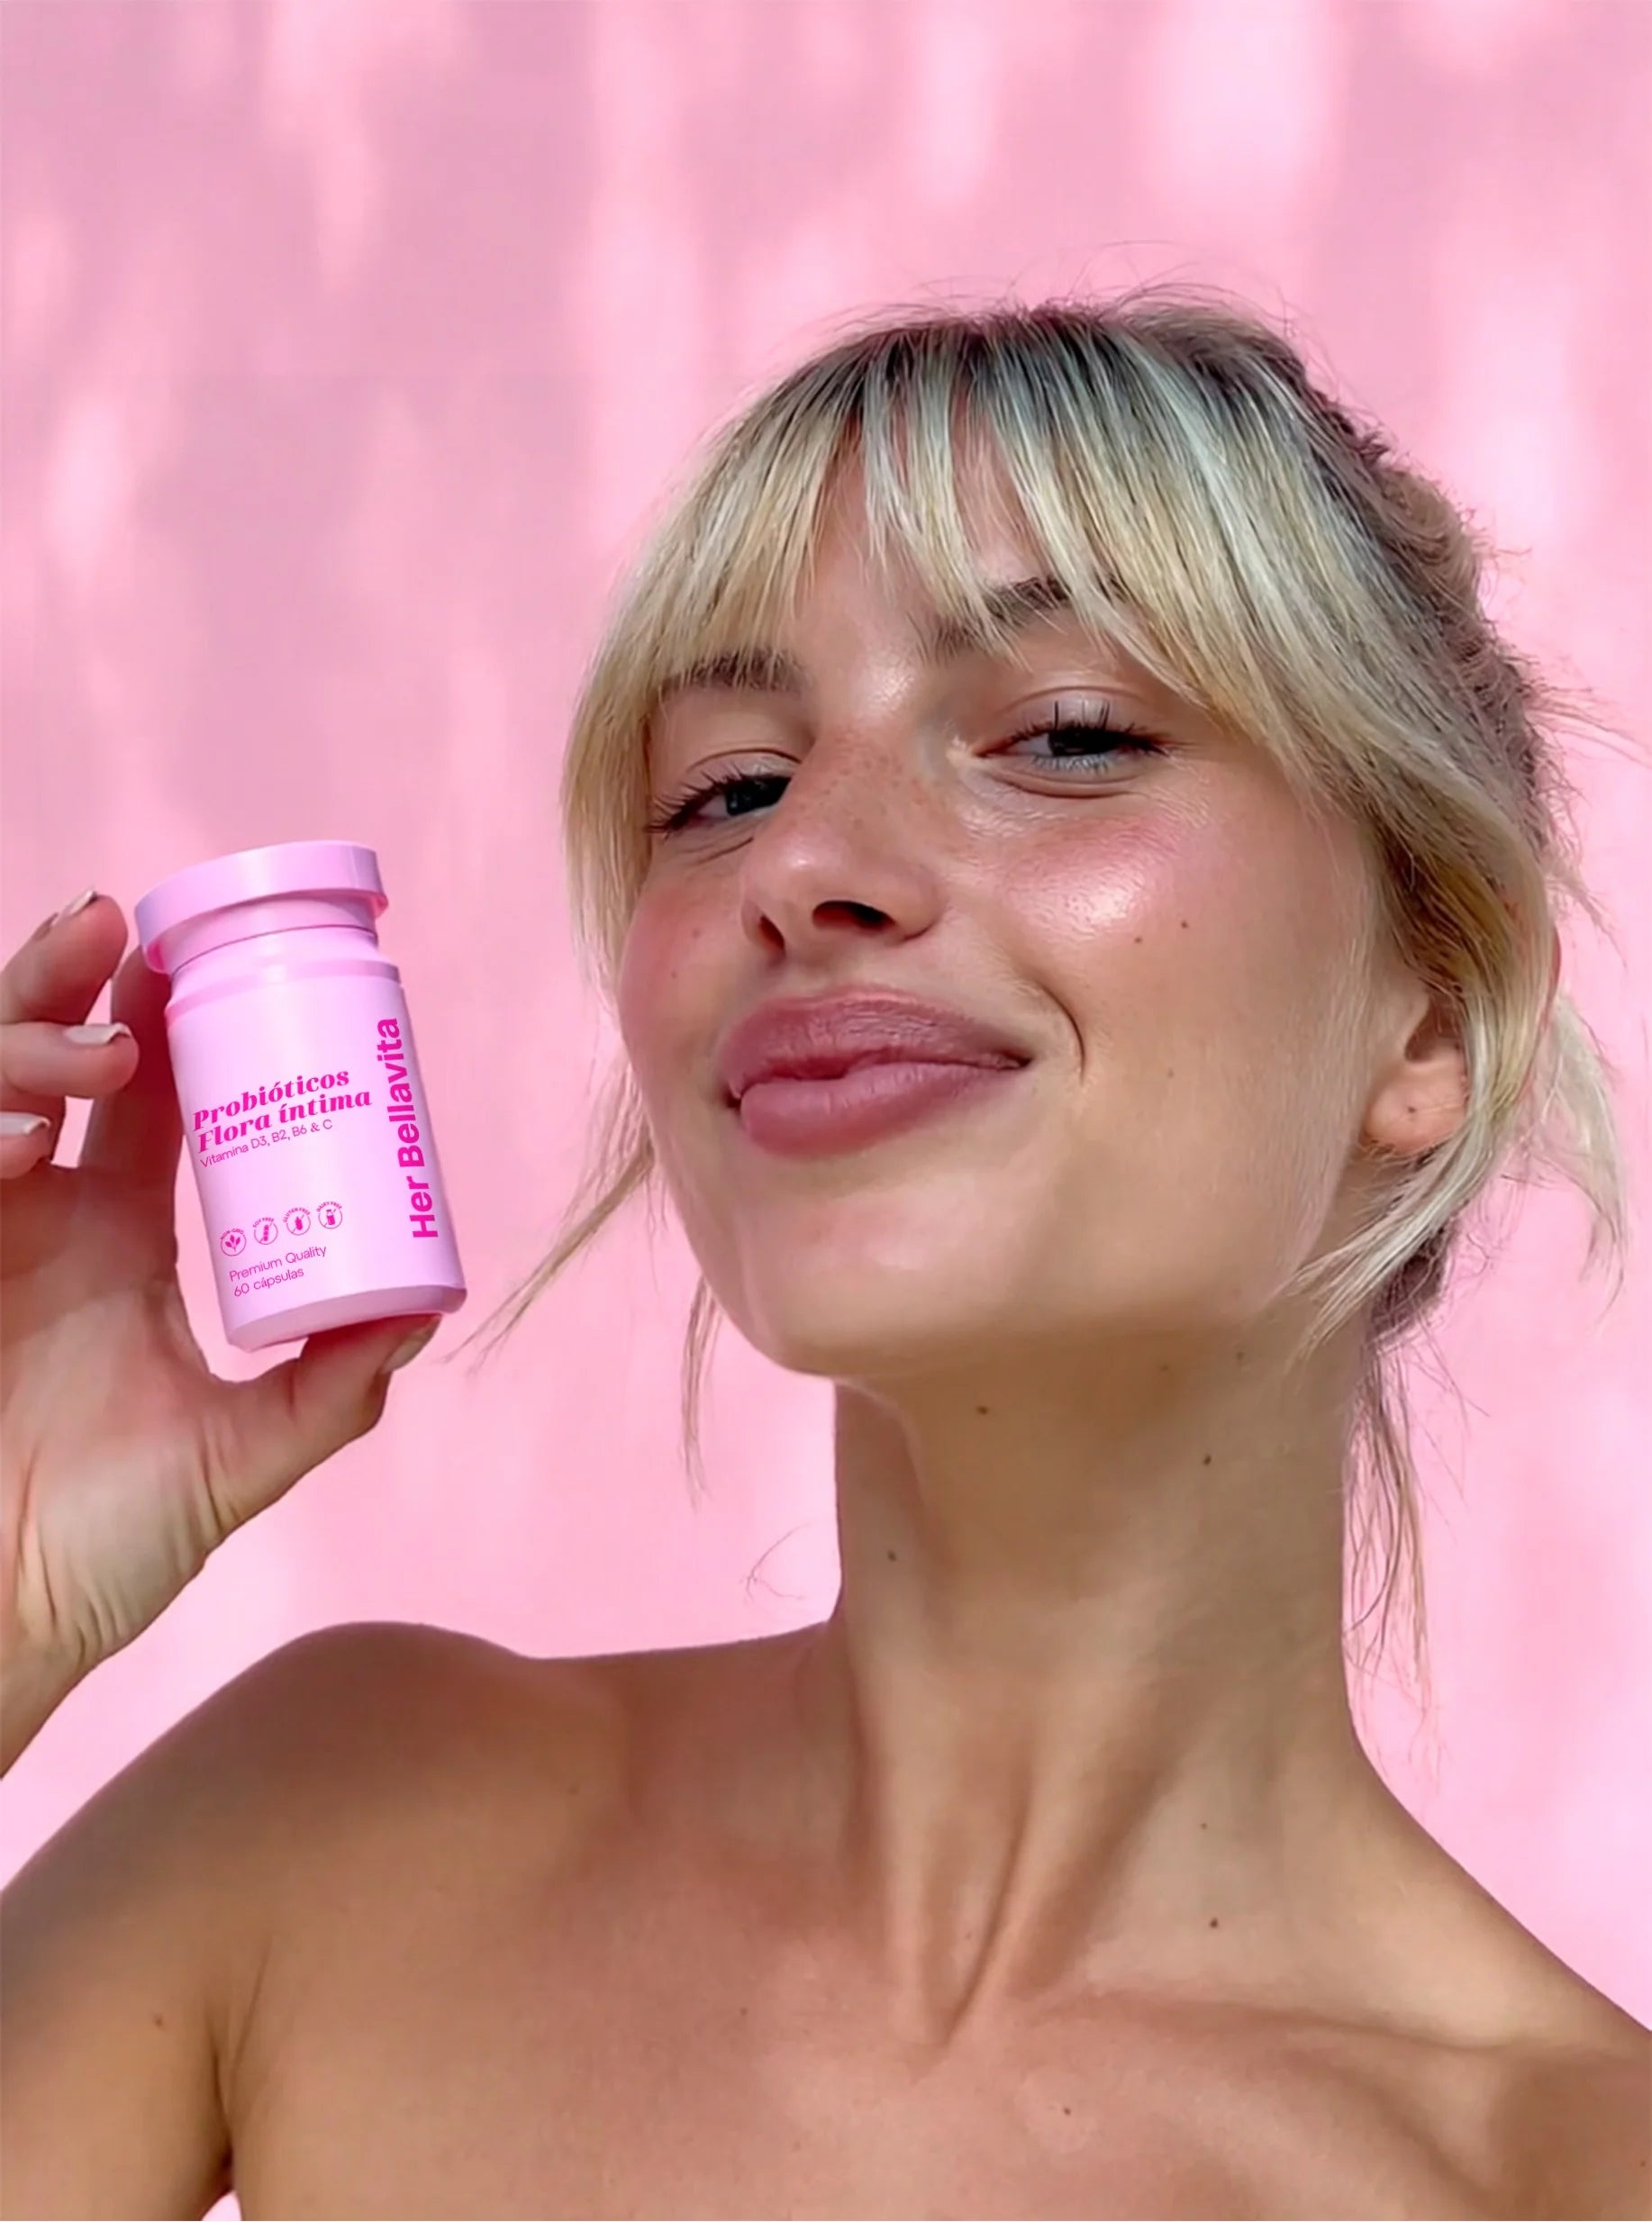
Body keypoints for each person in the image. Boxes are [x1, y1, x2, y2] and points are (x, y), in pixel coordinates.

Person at [2, 289, 1647, 2221]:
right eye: (726, 788)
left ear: (1429, 1013)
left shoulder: (1562, 2173)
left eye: (1066, 736)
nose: (796, 866)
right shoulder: (324, 1826)